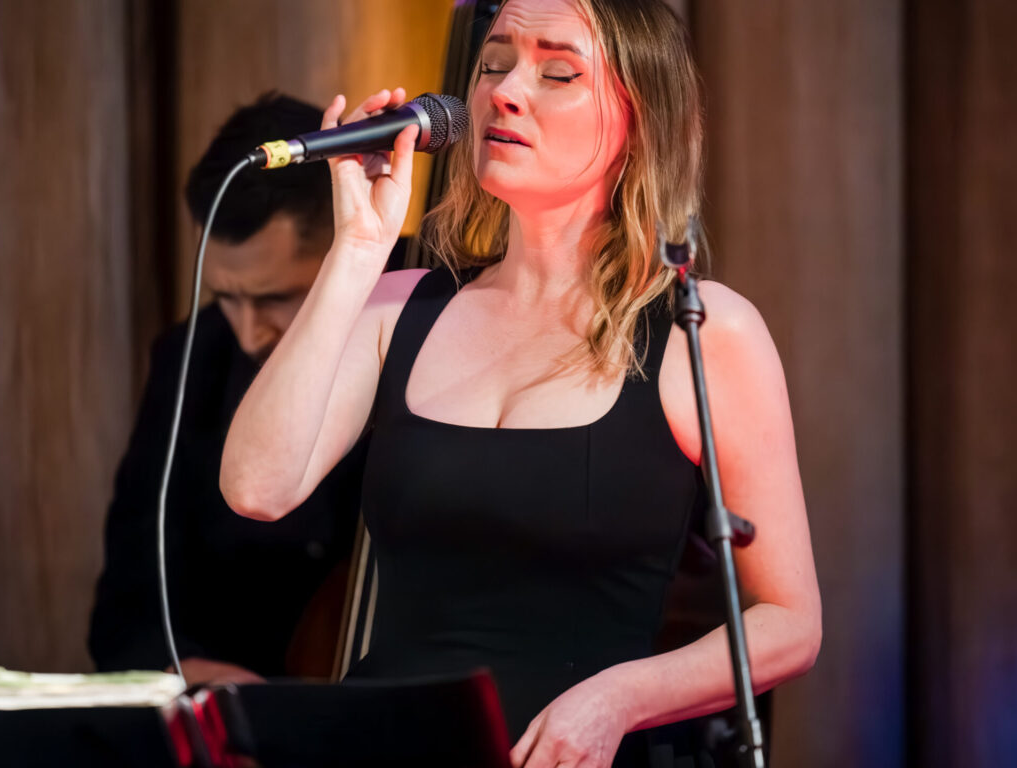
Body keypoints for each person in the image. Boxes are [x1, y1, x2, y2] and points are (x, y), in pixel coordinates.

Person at [221, 1, 822, 765]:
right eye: (495, 63)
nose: (506, 91)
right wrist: (356, 250)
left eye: (558, 71)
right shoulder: (395, 303)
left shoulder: (702, 332)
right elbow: (256, 487)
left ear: (639, 118)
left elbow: (789, 620)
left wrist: (617, 698)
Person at [88, 93, 367, 686]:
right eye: (226, 297)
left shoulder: (428, 328)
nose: (248, 333)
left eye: (274, 298)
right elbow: (131, 596)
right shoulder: (192, 355)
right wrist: (185, 669)